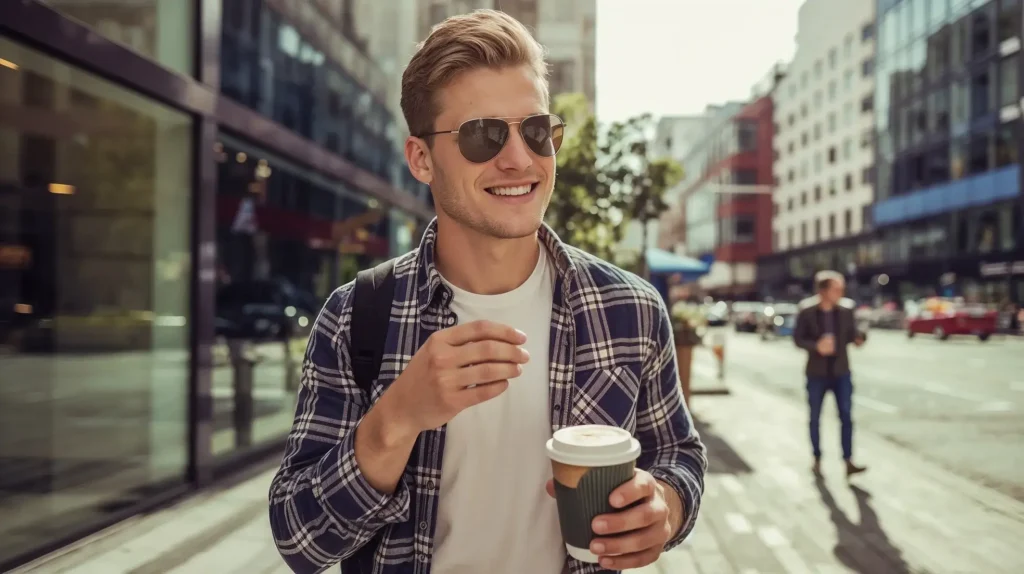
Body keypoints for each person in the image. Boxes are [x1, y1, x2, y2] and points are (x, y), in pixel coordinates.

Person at [268, 10, 707, 574]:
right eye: (484, 135)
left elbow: (678, 455)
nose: (519, 158)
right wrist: (395, 418)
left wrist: (664, 508)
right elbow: (299, 541)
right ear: (421, 159)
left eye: (536, 130)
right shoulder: (355, 317)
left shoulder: (633, 309)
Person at [794, 270, 867, 477]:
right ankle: (817, 457)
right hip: (816, 373)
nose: (841, 292)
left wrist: (861, 337)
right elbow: (798, 339)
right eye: (836, 289)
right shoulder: (807, 310)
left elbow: (854, 334)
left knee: (846, 416)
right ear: (823, 291)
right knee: (815, 417)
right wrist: (816, 346)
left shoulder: (846, 310)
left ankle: (848, 460)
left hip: (841, 371)